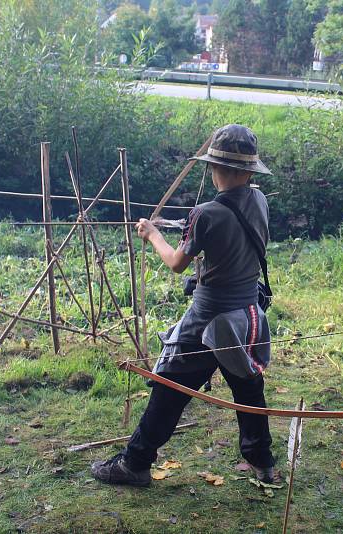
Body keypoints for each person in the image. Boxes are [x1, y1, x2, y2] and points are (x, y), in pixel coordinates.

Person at [92, 124, 277, 487]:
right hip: (248, 316)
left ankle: (135, 463)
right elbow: (222, 239)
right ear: (249, 171)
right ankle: (263, 463)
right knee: (249, 388)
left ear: (216, 169)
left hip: (208, 321)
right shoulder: (259, 200)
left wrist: (153, 234)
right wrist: (182, 225)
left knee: (169, 387)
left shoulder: (206, 213)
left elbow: (177, 262)